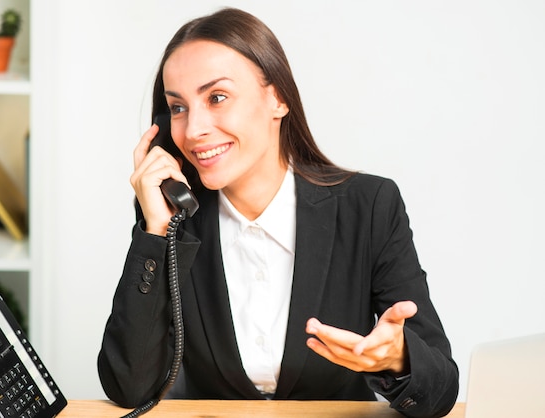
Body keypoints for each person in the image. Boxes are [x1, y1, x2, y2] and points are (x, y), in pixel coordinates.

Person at [98, 7, 459, 418]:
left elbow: (442, 389)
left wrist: (399, 359)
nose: (193, 129)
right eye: (177, 107)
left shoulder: (370, 206)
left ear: (278, 98)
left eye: (216, 97)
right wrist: (157, 231)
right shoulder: (173, 217)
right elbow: (129, 387)